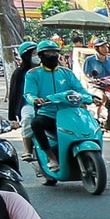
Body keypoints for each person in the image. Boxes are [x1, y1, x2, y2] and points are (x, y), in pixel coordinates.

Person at [21, 41, 87, 176]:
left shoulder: (67, 73)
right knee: (36, 124)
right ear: (40, 55)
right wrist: (35, 100)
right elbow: (29, 93)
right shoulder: (33, 74)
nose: (52, 55)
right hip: (48, 113)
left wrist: (89, 97)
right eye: (48, 53)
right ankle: (51, 156)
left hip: (69, 112)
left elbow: (79, 89)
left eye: (55, 52)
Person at [6, 43, 38, 124]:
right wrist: (12, 116)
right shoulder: (19, 73)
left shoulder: (43, 71)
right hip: (26, 107)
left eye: (38, 53)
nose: (37, 56)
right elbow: (13, 94)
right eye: (34, 53)